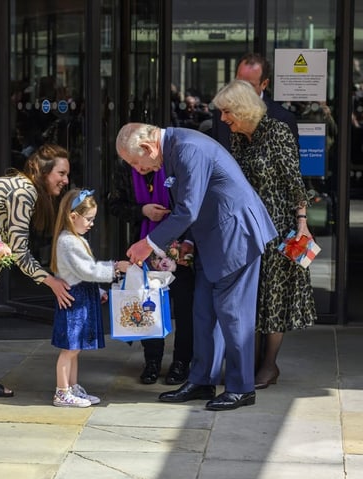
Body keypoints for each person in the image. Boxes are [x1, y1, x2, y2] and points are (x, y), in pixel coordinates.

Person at [117, 122, 277, 411]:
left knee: (233, 315)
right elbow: (195, 202)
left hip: (235, 236)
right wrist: (186, 241)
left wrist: (148, 243)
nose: (138, 170)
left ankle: (242, 388)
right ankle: (201, 379)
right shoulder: (176, 148)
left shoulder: (187, 148)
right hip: (211, 239)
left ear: (147, 147)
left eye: (135, 162)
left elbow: (188, 208)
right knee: (202, 312)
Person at [212, 79, 317, 389]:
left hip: (278, 229)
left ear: (243, 109)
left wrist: (301, 221)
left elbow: (294, 179)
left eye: (227, 111)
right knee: (252, 297)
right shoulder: (239, 138)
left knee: (274, 297)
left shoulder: (277, 131)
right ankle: (249, 362)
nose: (223, 119)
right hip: (248, 228)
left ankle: (268, 365)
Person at [0, 144, 73, 404]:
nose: (65, 180)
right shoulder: (24, 192)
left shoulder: (23, 188)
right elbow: (18, 251)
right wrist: (50, 281)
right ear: (43, 172)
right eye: (61, 174)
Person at [108, 160, 195, 385]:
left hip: (181, 249)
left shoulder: (176, 166)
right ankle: (152, 361)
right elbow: (114, 204)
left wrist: (189, 241)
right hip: (144, 246)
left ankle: (181, 362)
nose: (140, 165)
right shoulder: (124, 169)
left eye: (142, 160)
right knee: (149, 304)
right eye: (135, 162)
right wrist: (142, 210)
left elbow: (194, 206)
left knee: (185, 309)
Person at [50, 188, 129, 407]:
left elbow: (80, 273)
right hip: (74, 300)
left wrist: (99, 291)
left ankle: (72, 387)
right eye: (89, 219)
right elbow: (87, 271)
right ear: (72, 216)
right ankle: (62, 391)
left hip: (80, 296)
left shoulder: (75, 239)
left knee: (75, 348)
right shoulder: (68, 241)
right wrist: (114, 267)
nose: (91, 224)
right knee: (70, 349)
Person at [209, 52, 299, 150]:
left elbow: (289, 163)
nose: (241, 89)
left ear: (264, 84)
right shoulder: (222, 113)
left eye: (249, 85)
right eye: (239, 82)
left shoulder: (282, 119)